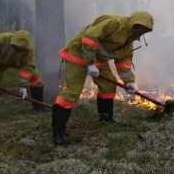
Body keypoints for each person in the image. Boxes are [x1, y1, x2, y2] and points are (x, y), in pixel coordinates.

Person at [52, 11, 154, 145]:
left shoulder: (128, 42)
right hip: (79, 53)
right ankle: (58, 133)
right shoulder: (114, 23)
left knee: (109, 86)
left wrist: (130, 82)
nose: (140, 32)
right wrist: (90, 63)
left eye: (145, 30)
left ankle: (105, 119)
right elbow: (90, 37)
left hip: (97, 58)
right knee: (72, 92)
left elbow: (123, 63)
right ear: (134, 23)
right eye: (140, 28)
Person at [0, 30, 44, 114]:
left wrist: (23, 86)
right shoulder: (0, 39)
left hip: (18, 63)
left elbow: (28, 68)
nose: (17, 51)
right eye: (16, 48)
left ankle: (38, 107)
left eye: (21, 49)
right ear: (11, 42)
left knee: (36, 80)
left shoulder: (29, 50)